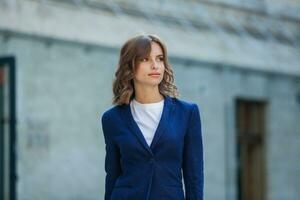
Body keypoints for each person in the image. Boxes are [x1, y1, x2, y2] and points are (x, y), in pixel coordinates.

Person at [101, 34, 204, 200]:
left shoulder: (187, 113)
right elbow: (112, 175)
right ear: (130, 66)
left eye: (160, 58)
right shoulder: (112, 119)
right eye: (145, 59)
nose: (155, 65)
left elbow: (194, 176)